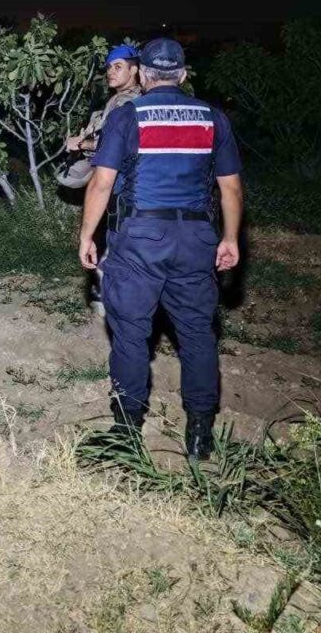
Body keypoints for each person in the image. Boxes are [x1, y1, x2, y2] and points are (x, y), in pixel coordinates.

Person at [77, 38, 242, 460]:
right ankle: (200, 435)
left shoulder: (129, 115)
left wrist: (86, 237)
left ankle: (127, 434)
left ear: (144, 75)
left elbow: (102, 182)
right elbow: (231, 188)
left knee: (131, 334)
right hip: (197, 241)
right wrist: (230, 238)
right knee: (197, 336)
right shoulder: (213, 118)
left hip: (140, 239)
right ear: (183, 75)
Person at [58, 44, 142, 189]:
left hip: (123, 179)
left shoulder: (126, 102)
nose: (110, 72)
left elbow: (119, 144)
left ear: (133, 70)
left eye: (118, 67)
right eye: (109, 67)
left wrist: (81, 144)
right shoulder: (121, 97)